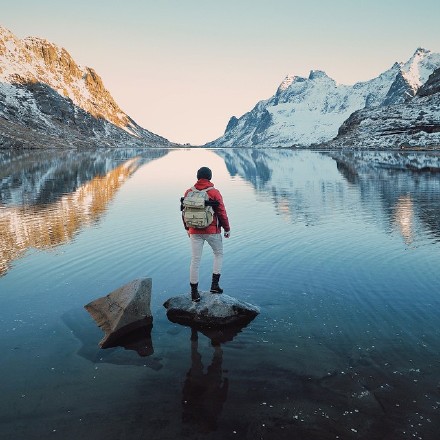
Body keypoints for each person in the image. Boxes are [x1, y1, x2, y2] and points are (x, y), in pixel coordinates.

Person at [182, 167, 230, 302]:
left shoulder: (188, 192)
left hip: (193, 231)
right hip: (212, 230)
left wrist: (187, 228)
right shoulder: (214, 192)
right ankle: (214, 286)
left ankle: (194, 293)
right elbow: (221, 212)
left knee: (195, 260)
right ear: (210, 177)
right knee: (218, 254)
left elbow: (184, 212)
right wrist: (227, 228)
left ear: (197, 177)